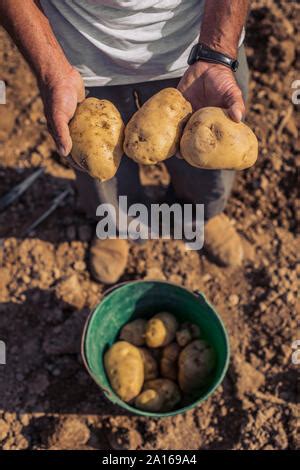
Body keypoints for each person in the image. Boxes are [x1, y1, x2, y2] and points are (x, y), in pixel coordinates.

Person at [0, 0, 250, 284]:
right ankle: (117, 225)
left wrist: (217, 52)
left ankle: (200, 216)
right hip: (78, 57)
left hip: (199, 49)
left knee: (209, 164)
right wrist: (50, 69)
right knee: (100, 169)